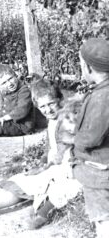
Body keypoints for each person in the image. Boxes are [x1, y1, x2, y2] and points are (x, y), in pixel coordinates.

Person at [0, 83, 82, 229]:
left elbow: (64, 150)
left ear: (59, 100)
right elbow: (50, 147)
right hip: (54, 165)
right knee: (22, 178)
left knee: (34, 182)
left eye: (51, 104)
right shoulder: (51, 121)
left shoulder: (67, 120)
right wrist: (43, 161)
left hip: (66, 168)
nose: (48, 109)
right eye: (42, 106)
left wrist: (46, 167)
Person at [73, 37, 109, 238]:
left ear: (88, 67)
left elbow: (92, 137)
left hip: (100, 170)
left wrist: (76, 142)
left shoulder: (102, 97)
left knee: (104, 221)